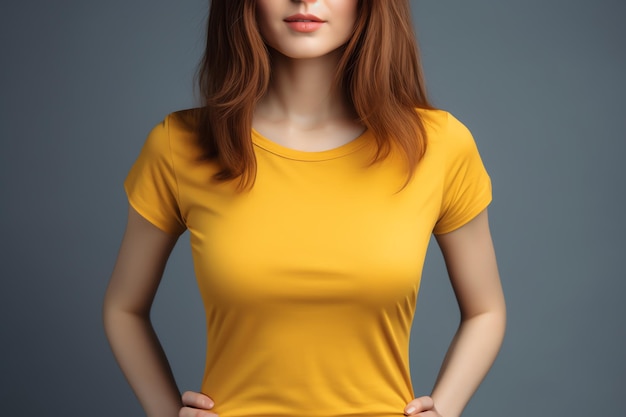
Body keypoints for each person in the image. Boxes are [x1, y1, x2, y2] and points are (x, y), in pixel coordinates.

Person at [103, 1, 506, 417]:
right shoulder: (180, 144)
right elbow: (124, 308)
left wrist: (445, 409)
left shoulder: (438, 146)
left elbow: (486, 310)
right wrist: (166, 413)